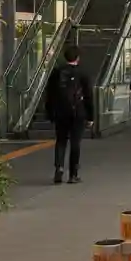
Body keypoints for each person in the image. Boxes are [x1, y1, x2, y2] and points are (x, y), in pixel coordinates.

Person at [45, 44, 94, 184]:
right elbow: (89, 96)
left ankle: (59, 168)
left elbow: (49, 94)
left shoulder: (56, 72)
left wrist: (50, 113)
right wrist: (90, 116)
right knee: (75, 142)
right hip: (78, 112)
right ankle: (73, 174)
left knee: (61, 141)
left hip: (60, 112)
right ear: (77, 58)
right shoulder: (83, 73)